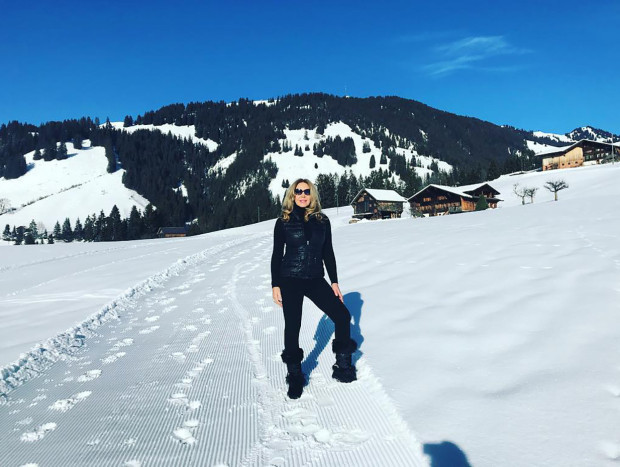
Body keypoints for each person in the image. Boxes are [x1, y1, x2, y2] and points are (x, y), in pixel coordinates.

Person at [271, 178, 357, 399]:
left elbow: (328, 252)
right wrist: (275, 284)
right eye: (298, 191)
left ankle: (343, 367)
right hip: (289, 278)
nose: (302, 195)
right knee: (293, 326)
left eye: (306, 191)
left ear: (312, 195)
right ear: (292, 194)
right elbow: (276, 255)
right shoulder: (283, 221)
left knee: (342, 316)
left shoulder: (322, 220)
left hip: (315, 279)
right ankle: (295, 376)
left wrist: (335, 281)